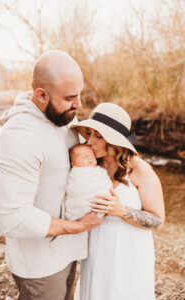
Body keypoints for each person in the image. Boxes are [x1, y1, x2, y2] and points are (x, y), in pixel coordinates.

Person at [0, 50, 105, 300]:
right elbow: (12, 217)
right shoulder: (20, 136)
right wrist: (78, 226)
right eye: (70, 97)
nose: (79, 104)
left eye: (80, 94)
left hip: (69, 251)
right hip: (39, 264)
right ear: (41, 95)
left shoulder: (64, 122)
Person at [70, 102, 165, 300]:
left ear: (115, 140)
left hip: (129, 257)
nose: (89, 142)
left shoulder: (140, 169)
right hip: (96, 253)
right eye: (89, 133)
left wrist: (121, 211)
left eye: (98, 136)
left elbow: (158, 220)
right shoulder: (90, 166)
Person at [65, 144, 112, 220]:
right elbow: (74, 188)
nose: (90, 157)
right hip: (81, 204)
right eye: (84, 156)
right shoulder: (76, 172)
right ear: (74, 163)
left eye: (92, 155)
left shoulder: (99, 171)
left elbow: (105, 183)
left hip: (100, 206)